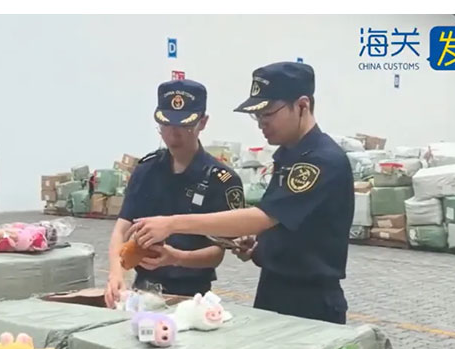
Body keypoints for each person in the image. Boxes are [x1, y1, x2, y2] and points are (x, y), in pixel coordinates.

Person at [127, 62, 354, 324]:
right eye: (257, 116)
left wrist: (172, 224)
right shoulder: (289, 156)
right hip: (273, 288)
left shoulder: (320, 161)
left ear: (302, 105)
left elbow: (262, 217)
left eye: (267, 114)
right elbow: (287, 222)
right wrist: (260, 247)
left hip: (310, 300)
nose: (261, 124)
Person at [103, 79, 244, 307]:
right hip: (143, 289)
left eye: (184, 124)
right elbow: (122, 228)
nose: (173, 132)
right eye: (166, 124)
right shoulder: (146, 170)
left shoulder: (220, 179)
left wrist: (176, 258)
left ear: (203, 122)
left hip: (192, 296)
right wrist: (116, 273)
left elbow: (217, 252)